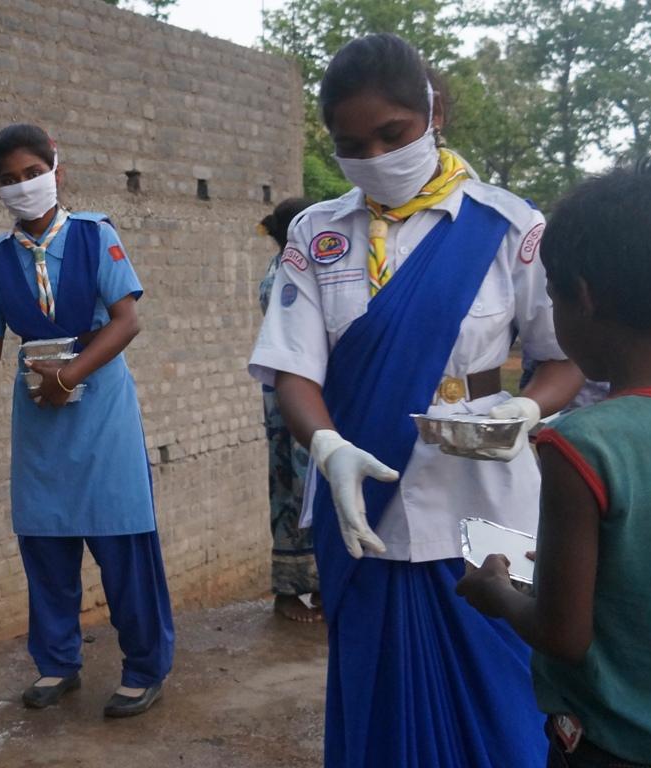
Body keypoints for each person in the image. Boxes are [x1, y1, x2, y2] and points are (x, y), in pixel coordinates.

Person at [248, 34, 585, 768]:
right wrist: (327, 448)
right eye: (349, 144)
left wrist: (527, 408)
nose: (372, 155)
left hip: (485, 505)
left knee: (502, 709)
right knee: (379, 712)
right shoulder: (316, 235)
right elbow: (294, 370)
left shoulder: (507, 228)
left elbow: (561, 356)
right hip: (364, 508)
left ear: (430, 112)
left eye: (391, 135)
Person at [457, 161, 651, 767]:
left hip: (610, 743)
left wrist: (498, 592)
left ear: (582, 296)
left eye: (553, 295)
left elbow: (563, 634)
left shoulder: (578, 447)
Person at [0, 124, 174, 717]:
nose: (23, 186)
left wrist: (72, 374)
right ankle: (58, 662)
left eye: (33, 173)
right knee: (46, 542)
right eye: (9, 180)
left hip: (100, 407)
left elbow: (126, 321)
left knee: (121, 539)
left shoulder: (94, 236)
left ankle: (144, 666)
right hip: (38, 412)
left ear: (58, 169)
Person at [258, 198, 321, 622]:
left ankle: (314, 588)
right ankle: (294, 590)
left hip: (292, 397)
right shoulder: (289, 272)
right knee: (303, 491)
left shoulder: (286, 266)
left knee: (299, 490)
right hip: (298, 397)